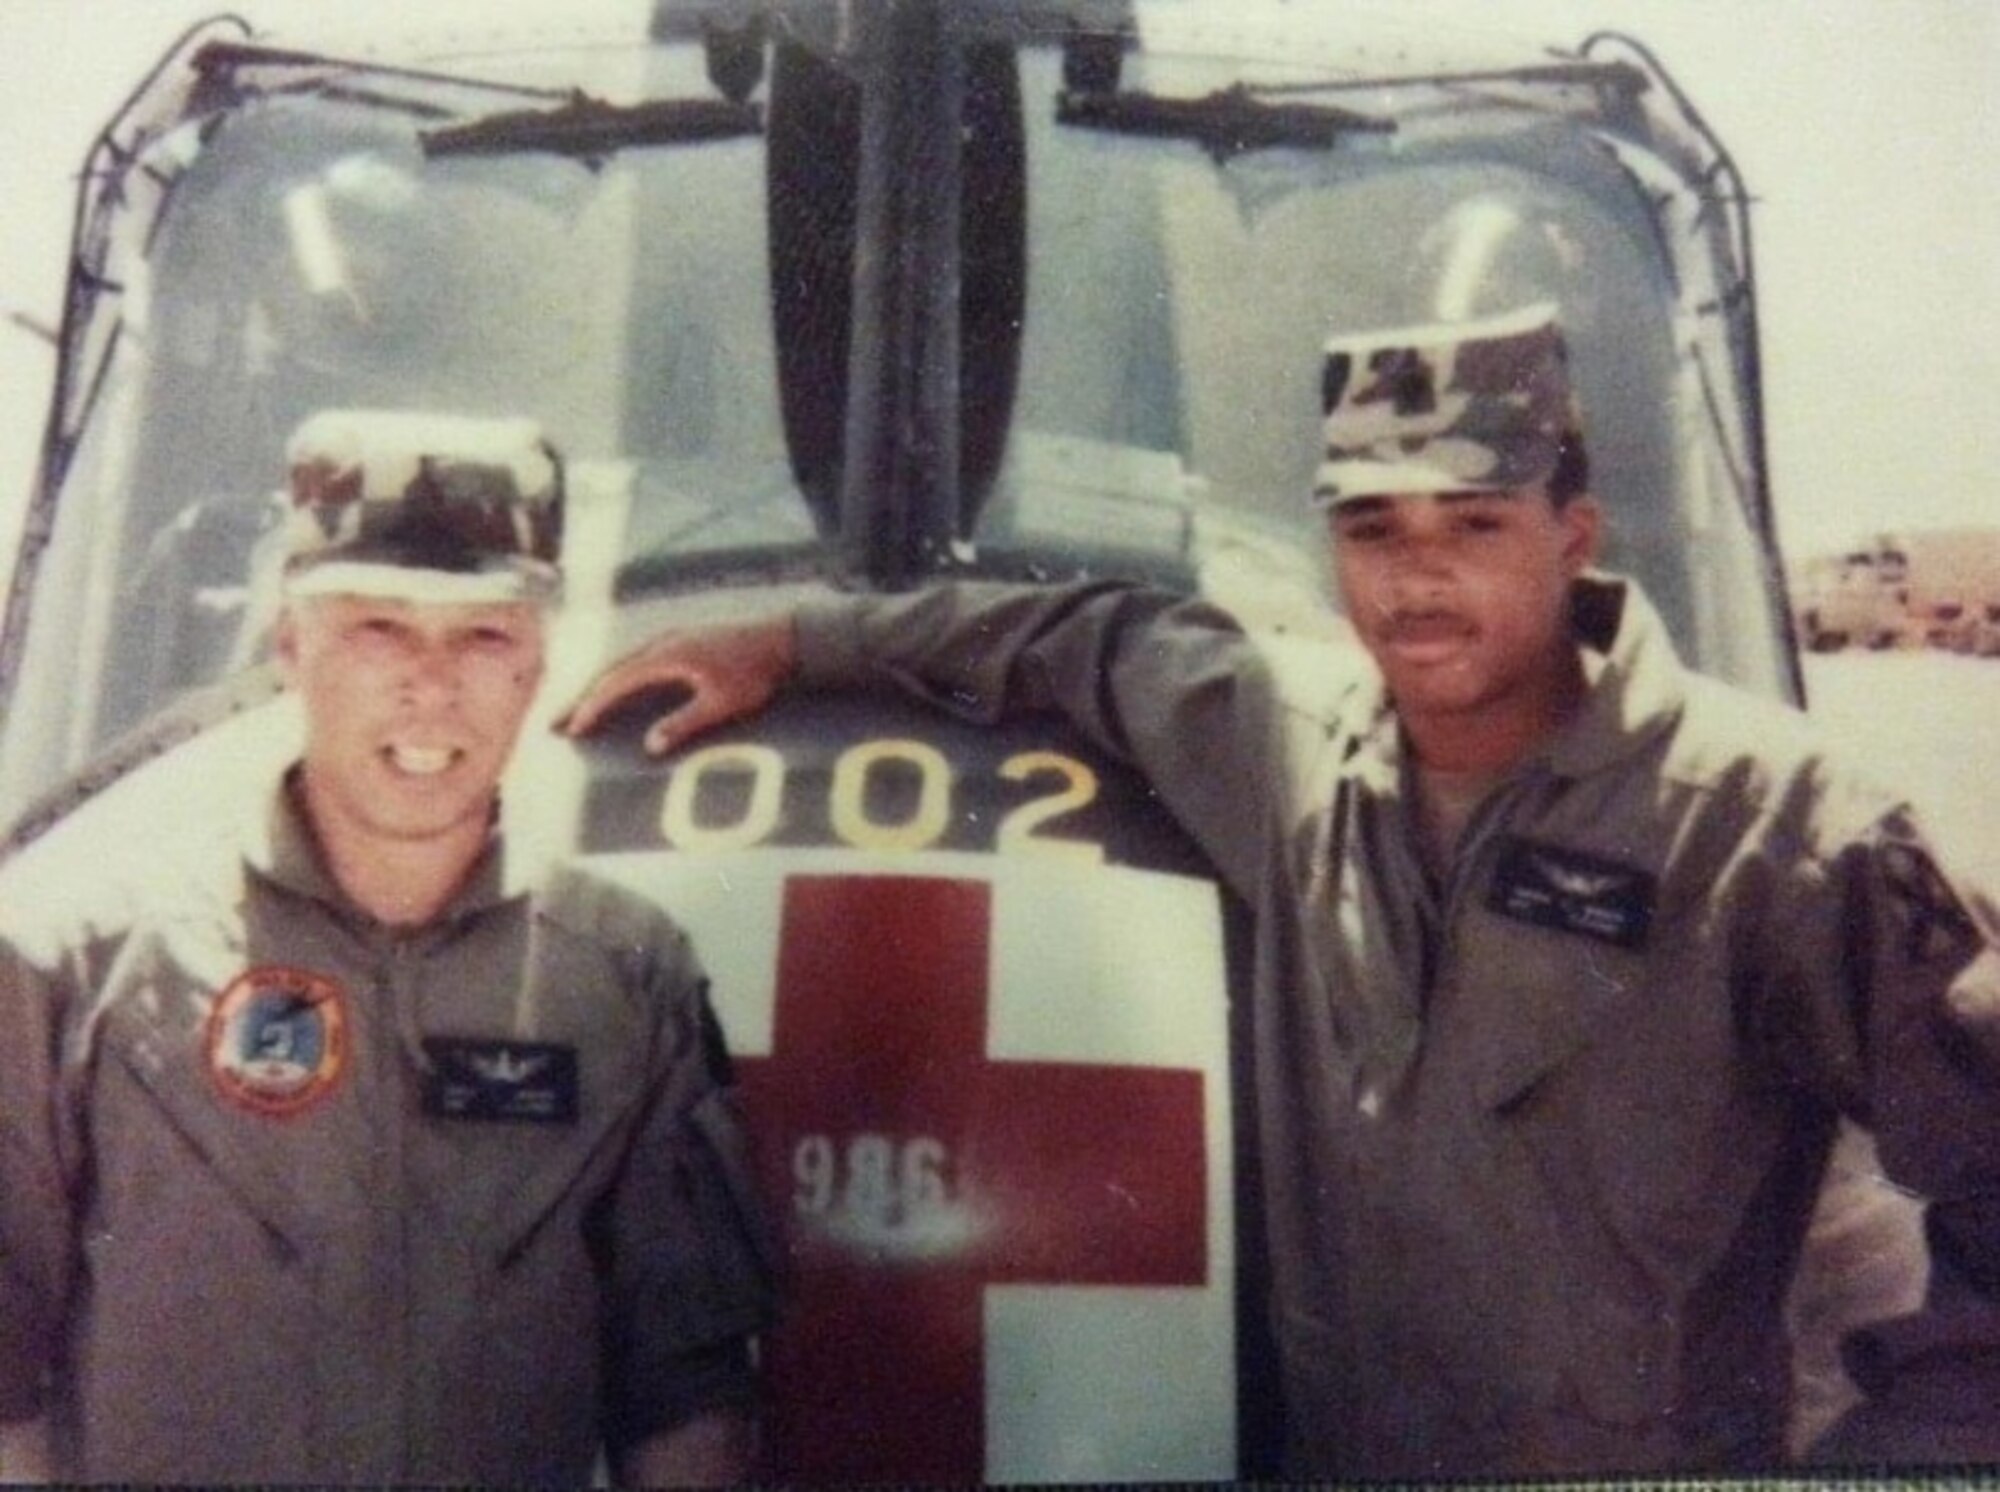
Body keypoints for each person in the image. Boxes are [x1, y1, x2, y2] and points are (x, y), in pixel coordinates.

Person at [560, 303, 2000, 1477]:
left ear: (1576, 533)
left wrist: (1920, 1451)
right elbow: (1084, 639)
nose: (1417, 580)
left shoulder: (1777, 827)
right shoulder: (1288, 743)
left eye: (1474, 525)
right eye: (1374, 532)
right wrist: (797, 639)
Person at [0, 410, 775, 1484]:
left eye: (483, 636)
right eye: (377, 629)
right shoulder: (76, 965)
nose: (431, 683)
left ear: (535, 662)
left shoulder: (623, 982)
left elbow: (685, 1407)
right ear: (290, 646)